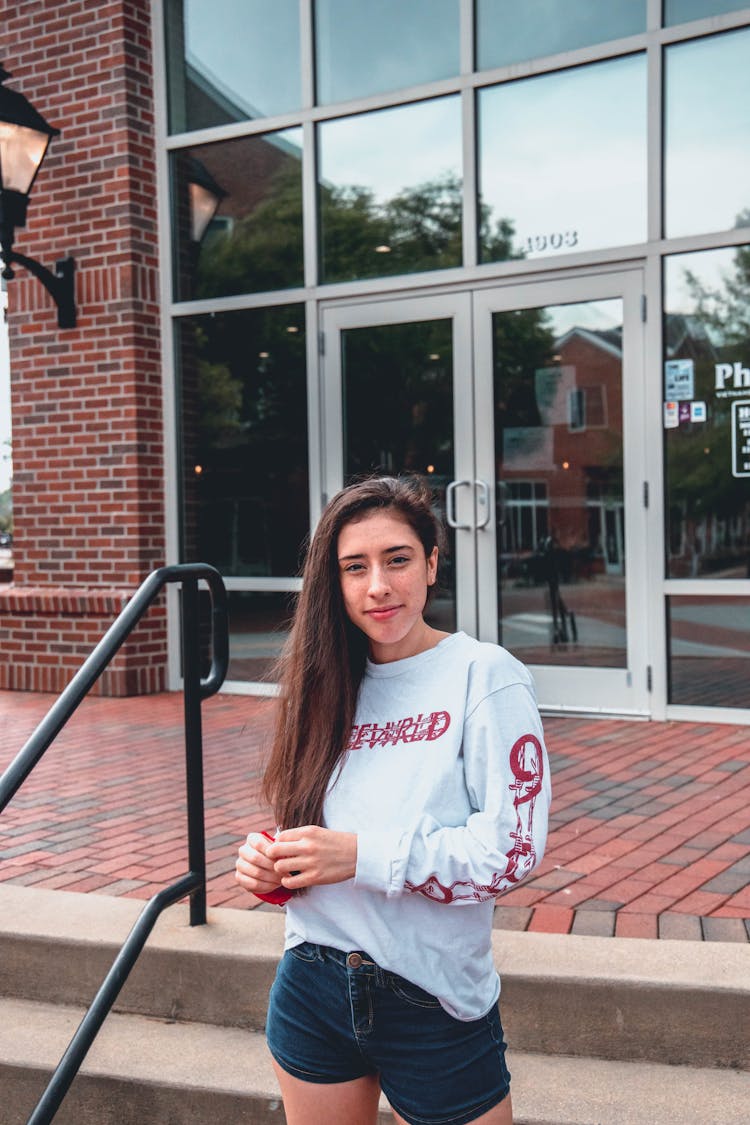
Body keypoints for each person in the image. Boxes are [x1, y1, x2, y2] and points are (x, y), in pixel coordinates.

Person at [235, 475, 551, 1125]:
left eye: (397, 558)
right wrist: (272, 864)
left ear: (432, 562)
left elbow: (509, 852)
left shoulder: (484, 676)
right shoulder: (323, 683)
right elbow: (316, 834)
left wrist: (358, 856)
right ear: (336, 582)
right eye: (355, 567)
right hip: (314, 982)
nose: (377, 584)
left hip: (434, 996)